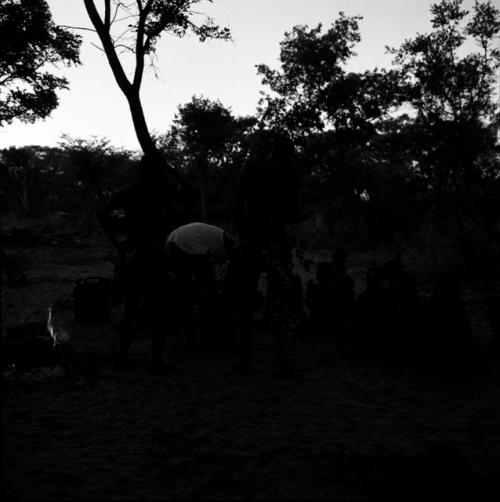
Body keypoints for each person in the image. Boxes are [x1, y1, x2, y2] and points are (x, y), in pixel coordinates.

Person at [97, 152, 196, 369]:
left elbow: (102, 214)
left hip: (132, 255)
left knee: (130, 309)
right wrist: (174, 172)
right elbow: (190, 194)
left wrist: (118, 243)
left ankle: (123, 357)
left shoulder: (129, 191)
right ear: (160, 171)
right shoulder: (162, 192)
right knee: (161, 310)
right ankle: (155, 360)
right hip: (154, 257)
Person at [228, 128, 300, 375]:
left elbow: (238, 206)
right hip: (276, 243)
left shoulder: (251, 167)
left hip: (250, 241)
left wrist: (242, 235)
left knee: (245, 301)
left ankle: (246, 359)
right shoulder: (290, 172)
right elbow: (293, 212)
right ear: (287, 151)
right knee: (282, 302)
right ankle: (282, 361)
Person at [161, 222, 235, 359]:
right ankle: (210, 335)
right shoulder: (227, 244)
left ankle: (190, 336)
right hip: (191, 245)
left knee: (185, 292)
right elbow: (219, 261)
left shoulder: (214, 236)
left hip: (173, 239)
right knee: (208, 293)